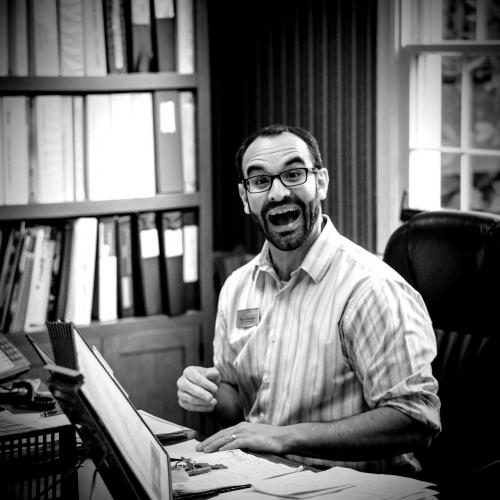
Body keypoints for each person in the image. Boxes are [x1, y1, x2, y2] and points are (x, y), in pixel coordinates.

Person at [177, 124, 441, 474]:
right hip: (262, 479)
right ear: (245, 198)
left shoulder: (371, 289)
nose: (277, 193)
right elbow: (235, 400)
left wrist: (284, 437)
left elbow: (416, 419)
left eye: (293, 173)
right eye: (260, 181)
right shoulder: (237, 287)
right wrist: (209, 393)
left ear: (321, 182)